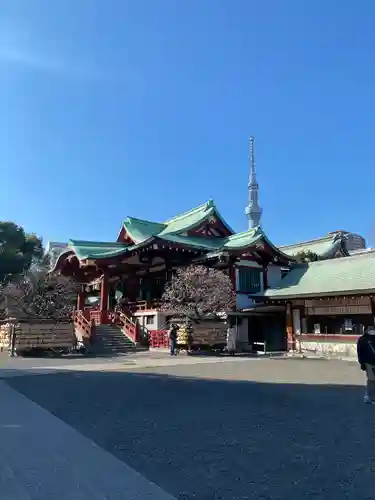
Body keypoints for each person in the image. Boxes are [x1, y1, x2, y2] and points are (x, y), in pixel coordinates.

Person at [357, 327, 375, 404]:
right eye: (370, 330)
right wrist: (362, 363)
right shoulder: (362, 339)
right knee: (371, 380)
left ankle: (370, 396)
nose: (372, 331)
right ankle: (368, 397)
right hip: (368, 362)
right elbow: (360, 352)